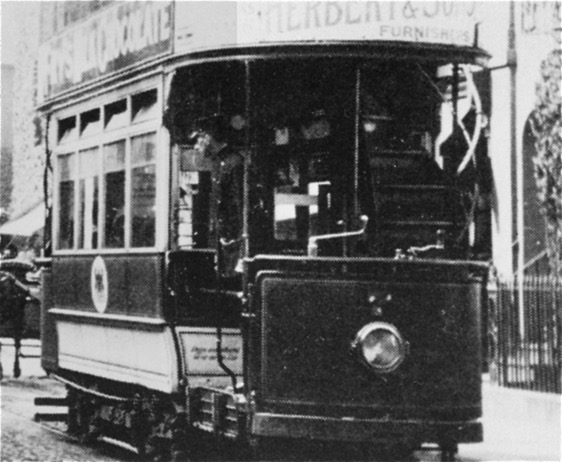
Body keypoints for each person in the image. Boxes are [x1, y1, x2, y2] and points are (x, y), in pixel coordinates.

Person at [191, 115, 244, 278]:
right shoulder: (219, 163)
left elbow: (239, 205)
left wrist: (232, 241)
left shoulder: (233, 162)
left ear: (208, 137)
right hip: (223, 241)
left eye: (199, 139)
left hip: (231, 244)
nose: (196, 146)